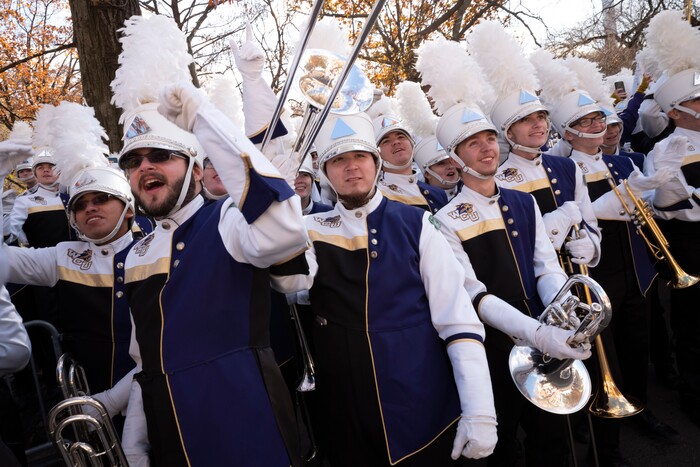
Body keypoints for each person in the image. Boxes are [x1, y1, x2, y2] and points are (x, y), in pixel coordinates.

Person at [111, 25, 308, 458]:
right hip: (172, 439)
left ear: (198, 170)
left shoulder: (229, 220)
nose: (146, 168)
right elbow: (146, 362)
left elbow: (286, 229)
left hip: (247, 428)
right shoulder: (134, 254)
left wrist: (203, 119)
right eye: (134, 161)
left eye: (161, 156)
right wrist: (136, 440)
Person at [273, 112, 497, 466]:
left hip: (423, 404)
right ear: (325, 173)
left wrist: (480, 410)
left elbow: (457, 320)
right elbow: (290, 281)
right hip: (347, 415)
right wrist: (276, 207)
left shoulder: (417, 223)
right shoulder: (309, 228)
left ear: (376, 164)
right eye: (338, 160)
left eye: (360, 157)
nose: (351, 168)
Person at [433, 101, 592, 467]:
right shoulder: (442, 221)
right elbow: (475, 296)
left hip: (545, 337)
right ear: (455, 160)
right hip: (493, 349)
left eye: (489, 138)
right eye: (473, 143)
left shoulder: (523, 202)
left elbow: (546, 267)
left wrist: (560, 314)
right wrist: (536, 332)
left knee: (553, 440)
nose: (487, 147)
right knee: (504, 447)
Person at [1, 102, 139, 396]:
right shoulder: (62, 256)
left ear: (128, 209)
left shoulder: (157, 252)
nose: (90, 208)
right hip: (87, 400)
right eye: (80, 204)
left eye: (101, 199)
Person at [643, 9, 700, 427]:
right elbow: (667, 204)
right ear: (677, 111)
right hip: (692, 244)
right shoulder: (665, 150)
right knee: (694, 324)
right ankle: (693, 393)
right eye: (697, 101)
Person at [373, 115, 448, 213]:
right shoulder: (375, 196)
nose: (396, 142)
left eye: (401, 137)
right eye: (386, 141)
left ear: (412, 143)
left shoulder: (437, 193)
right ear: (378, 153)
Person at [413, 135, 461, 200]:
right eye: (441, 163)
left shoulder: (472, 186)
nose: (450, 166)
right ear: (427, 174)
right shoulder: (420, 201)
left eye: (452, 161)